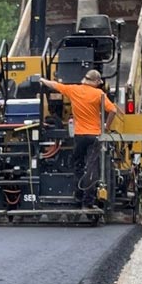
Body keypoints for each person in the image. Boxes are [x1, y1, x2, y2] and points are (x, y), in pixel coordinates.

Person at [31, 68, 117, 207]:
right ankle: (88, 201)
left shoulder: (74, 90)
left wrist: (42, 80)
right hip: (94, 136)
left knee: (78, 165)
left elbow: (54, 85)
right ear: (96, 82)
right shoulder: (99, 94)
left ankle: (77, 195)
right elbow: (113, 110)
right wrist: (106, 126)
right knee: (92, 167)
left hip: (79, 136)